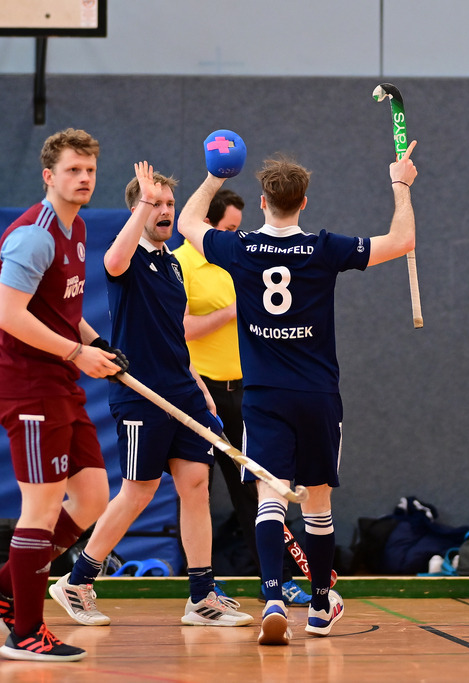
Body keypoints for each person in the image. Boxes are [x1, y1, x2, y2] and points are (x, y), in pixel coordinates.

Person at [177, 141, 419, 645]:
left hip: (263, 394)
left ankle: (270, 597)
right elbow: (401, 240)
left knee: (270, 499)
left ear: (263, 202)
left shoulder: (238, 248)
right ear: (304, 202)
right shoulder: (325, 247)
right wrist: (401, 185)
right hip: (316, 395)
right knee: (318, 505)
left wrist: (215, 176)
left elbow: (187, 223)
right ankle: (318, 606)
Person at [48, 162, 253, 628]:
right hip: (141, 398)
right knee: (138, 492)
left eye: (168, 204)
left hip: (183, 391)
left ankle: (201, 596)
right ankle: (77, 581)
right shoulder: (126, 258)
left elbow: (175, 340)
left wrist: (201, 393)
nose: (164, 211)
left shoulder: (173, 264)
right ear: (138, 208)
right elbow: (114, 263)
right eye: (154, 203)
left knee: (196, 488)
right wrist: (141, 201)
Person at [0, 128, 129, 662]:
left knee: (91, 500)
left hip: (61, 382)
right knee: (39, 508)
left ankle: (3, 587)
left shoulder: (76, 227)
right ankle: (25, 631)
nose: (83, 179)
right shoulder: (33, 235)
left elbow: (59, 308)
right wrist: (76, 354)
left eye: (90, 170)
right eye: (73, 171)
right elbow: (10, 316)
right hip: (28, 387)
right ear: (48, 176)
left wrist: (94, 342)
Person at [172, 189, 312, 606]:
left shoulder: (236, 259)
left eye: (237, 228)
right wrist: (231, 312)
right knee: (196, 489)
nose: (234, 234)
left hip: (243, 389)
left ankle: (274, 579)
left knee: (254, 490)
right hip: (201, 392)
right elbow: (177, 329)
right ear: (208, 225)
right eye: (228, 228)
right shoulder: (180, 263)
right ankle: (203, 584)